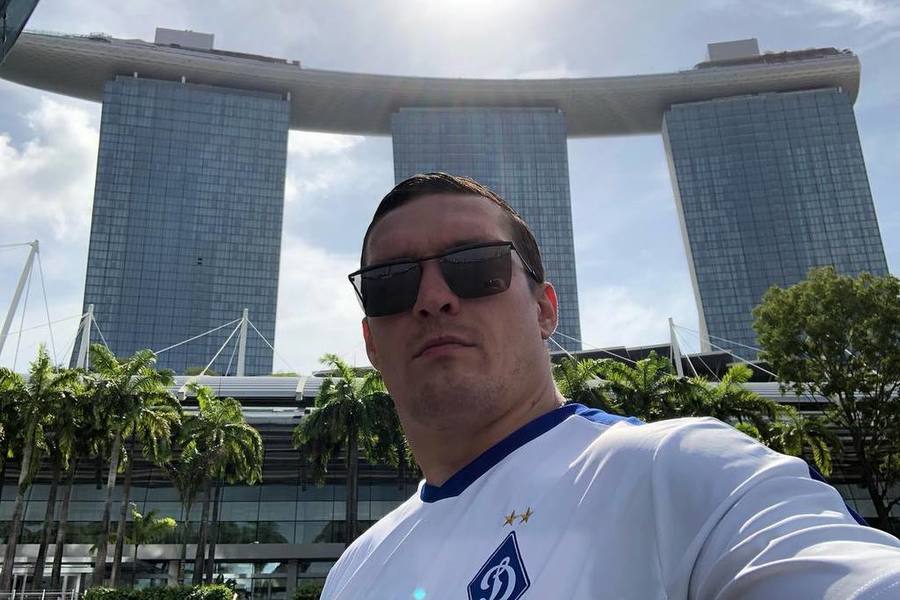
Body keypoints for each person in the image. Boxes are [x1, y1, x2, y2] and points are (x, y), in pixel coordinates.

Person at [322, 172, 900, 599]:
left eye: (475, 264)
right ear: (371, 342)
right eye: (391, 282)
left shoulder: (678, 470)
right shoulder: (353, 572)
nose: (432, 298)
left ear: (545, 310)